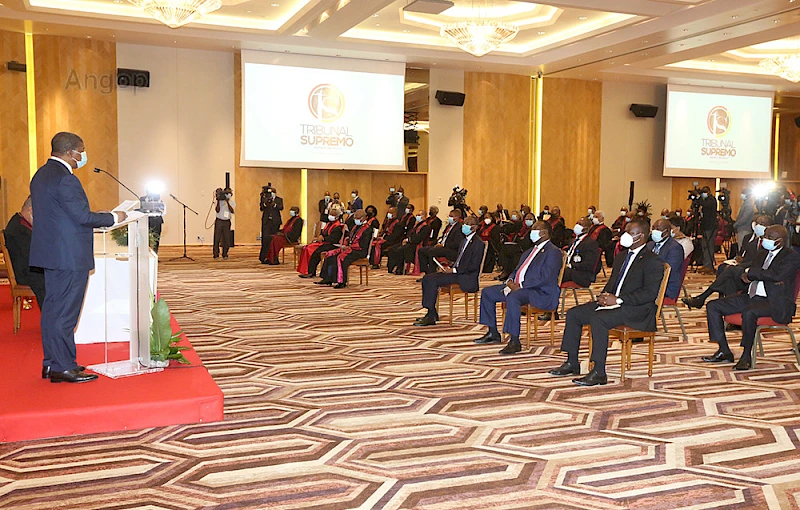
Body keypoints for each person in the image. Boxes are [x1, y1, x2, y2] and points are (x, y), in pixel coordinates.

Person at [30, 132, 124, 383]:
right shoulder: (66, 180)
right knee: (65, 314)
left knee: (52, 311)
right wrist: (115, 218)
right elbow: (83, 217)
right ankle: (63, 366)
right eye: (81, 151)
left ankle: (53, 362)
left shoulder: (41, 174)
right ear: (71, 152)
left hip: (52, 255)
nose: (83, 156)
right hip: (69, 257)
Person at [548, 220, 664, 386]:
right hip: (615, 303)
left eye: (630, 233)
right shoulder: (622, 256)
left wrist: (618, 300)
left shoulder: (652, 260)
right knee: (575, 313)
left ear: (642, 236)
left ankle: (599, 372)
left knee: (598, 318)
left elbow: (649, 293)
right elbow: (613, 283)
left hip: (637, 309)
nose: (625, 235)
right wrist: (603, 296)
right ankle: (571, 361)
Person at [701, 225, 800, 370]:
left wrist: (754, 272)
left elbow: (776, 275)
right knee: (713, 306)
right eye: (765, 236)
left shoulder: (791, 256)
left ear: (780, 241)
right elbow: (762, 275)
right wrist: (750, 275)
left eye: (770, 238)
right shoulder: (761, 253)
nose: (765, 240)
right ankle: (724, 351)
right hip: (753, 296)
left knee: (749, 312)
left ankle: (746, 355)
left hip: (775, 302)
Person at [473, 221, 562, 354]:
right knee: (488, 292)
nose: (532, 232)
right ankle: (492, 332)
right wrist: (510, 281)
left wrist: (521, 286)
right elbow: (516, 270)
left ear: (544, 233)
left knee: (513, 297)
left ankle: (514, 341)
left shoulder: (553, 252)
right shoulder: (529, 251)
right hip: (519, 287)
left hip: (539, 291)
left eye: (535, 229)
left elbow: (546, 277)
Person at [683, 216, 771, 309]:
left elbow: (756, 262)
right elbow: (745, 256)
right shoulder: (754, 241)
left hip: (754, 275)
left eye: (762, 224)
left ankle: (703, 297)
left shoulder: (769, 245)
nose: (758, 226)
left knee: (730, 271)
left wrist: (739, 266)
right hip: (743, 271)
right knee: (728, 279)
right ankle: (730, 308)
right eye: (758, 223)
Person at [414, 217, 485, 326]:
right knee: (427, 278)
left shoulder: (478, 243)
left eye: (467, 224)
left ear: (474, 227)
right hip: (457, 272)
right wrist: (451, 267)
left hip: (466, 276)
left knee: (433, 281)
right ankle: (431, 312)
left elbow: (474, 265)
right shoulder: (463, 240)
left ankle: (431, 315)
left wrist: (455, 270)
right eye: (464, 223)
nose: (464, 226)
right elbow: (460, 259)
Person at [4, 196, 45, 306]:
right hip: (26, 273)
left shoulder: (20, 222)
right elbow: (31, 256)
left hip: (29, 267)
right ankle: (54, 319)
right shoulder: (18, 229)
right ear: (31, 210)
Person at [316, 210, 372, 288]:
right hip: (350, 248)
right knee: (330, 254)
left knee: (341, 257)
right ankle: (327, 278)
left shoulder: (367, 229)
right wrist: (346, 243)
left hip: (359, 251)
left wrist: (350, 247)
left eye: (358, 218)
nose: (356, 220)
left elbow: (363, 244)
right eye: (355, 218)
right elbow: (350, 237)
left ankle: (341, 281)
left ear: (365, 218)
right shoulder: (355, 227)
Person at [298, 205, 344, 278]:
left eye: (333, 215)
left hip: (332, 244)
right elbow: (323, 233)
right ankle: (305, 270)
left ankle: (311, 272)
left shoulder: (338, 226)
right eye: (330, 214)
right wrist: (320, 236)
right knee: (306, 248)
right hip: (324, 242)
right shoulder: (329, 224)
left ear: (337, 216)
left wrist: (323, 238)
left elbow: (333, 239)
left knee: (316, 251)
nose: (330, 216)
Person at [417, 209, 465, 277]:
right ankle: (424, 272)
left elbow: (457, 243)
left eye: (451, 216)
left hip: (451, 250)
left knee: (432, 251)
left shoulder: (459, 227)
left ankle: (431, 274)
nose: (449, 218)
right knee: (422, 250)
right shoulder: (449, 226)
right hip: (442, 247)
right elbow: (443, 237)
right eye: (449, 216)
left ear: (457, 217)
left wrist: (443, 245)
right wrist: (438, 242)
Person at [648, 218, 685, 301]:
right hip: (651, 283)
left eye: (658, 229)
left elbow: (667, 271)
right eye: (653, 228)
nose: (654, 231)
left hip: (666, 286)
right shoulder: (650, 245)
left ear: (667, 232)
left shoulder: (675, 248)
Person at [387, 209, 431, 275]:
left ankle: (400, 269)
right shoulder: (417, 225)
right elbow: (410, 233)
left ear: (424, 216)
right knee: (392, 249)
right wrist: (406, 239)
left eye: (419, 215)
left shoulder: (426, 227)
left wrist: (408, 240)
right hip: (410, 242)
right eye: (417, 215)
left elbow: (418, 238)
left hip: (417, 245)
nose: (417, 216)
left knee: (400, 250)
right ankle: (391, 268)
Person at [561, 217, 600, 288]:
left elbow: (588, 264)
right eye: (577, 223)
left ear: (587, 228)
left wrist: (571, 265)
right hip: (568, 270)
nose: (577, 226)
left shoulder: (591, 243)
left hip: (581, 274)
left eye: (580, 224)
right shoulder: (573, 241)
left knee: (557, 273)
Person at [497, 212, 536, 280]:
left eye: (530, 219)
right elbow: (509, 231)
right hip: (518, 245)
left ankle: (510, 273)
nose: (528, 221)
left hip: (528, 248)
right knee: (505, 247)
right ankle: (506, 271)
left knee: (515, 254)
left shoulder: (534, 229)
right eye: (527, 219)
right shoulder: (521, 226)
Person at [697, 186, 718, 274]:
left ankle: (709, 265)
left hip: (711, 227)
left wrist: (699, 197)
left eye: (704, 192)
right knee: (704, 246)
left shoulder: (711, 200)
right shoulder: (705, 200)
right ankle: (706, 264)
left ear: (708, 192)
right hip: (705, 226)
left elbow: (706, 205)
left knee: (709, 246)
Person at [214, 187, 235, 259]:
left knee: (226, 238)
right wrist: (219, 201)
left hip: (227, 221)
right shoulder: (219, 201)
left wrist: (227, 202)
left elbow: (232, 211)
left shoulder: (232, 202)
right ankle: (216, 254)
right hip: (219, 220)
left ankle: (225, 253)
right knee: (217, 238)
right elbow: (217, 210)